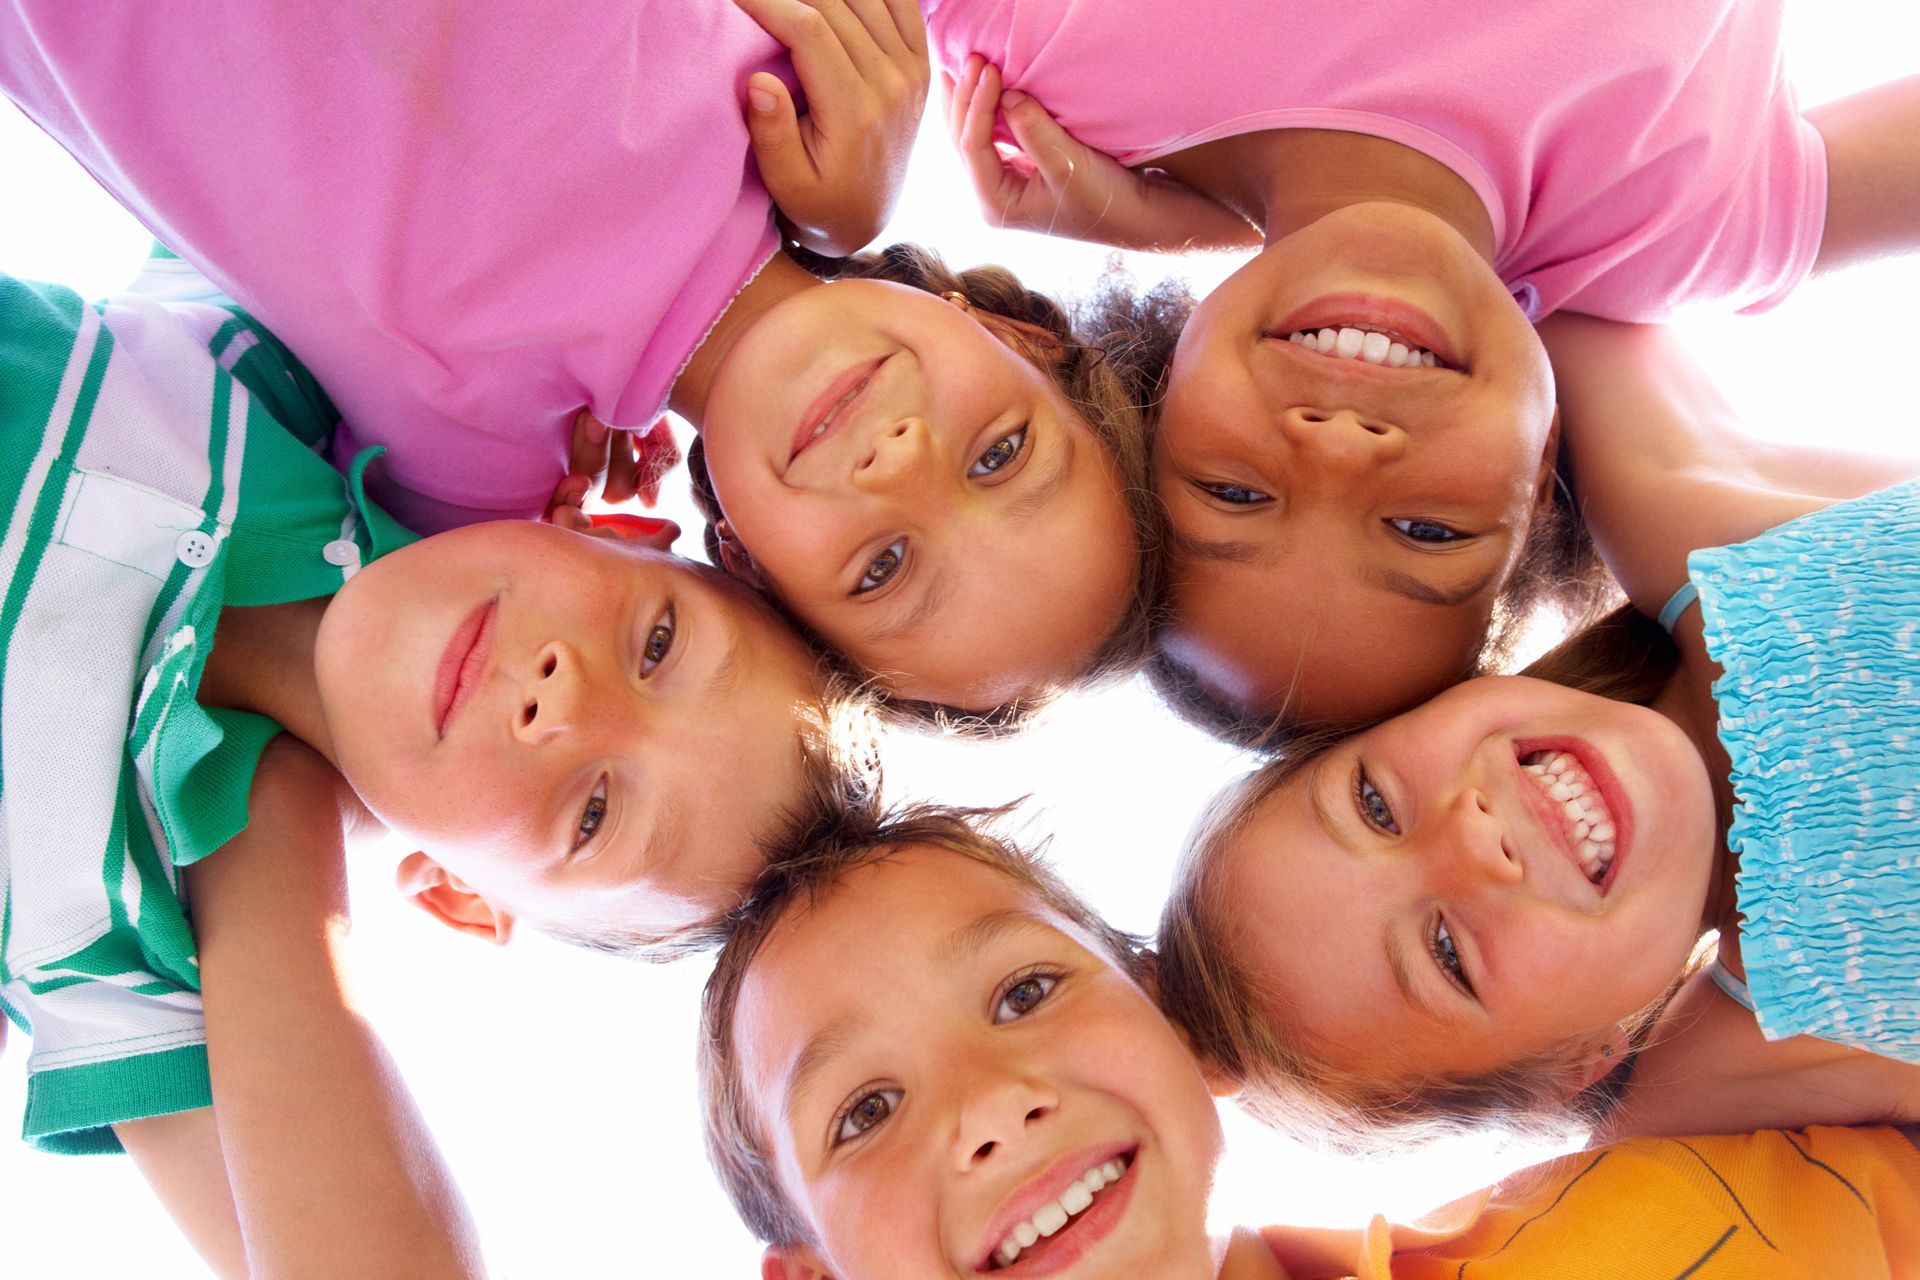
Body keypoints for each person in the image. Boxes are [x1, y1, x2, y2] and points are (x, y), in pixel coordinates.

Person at [0, 262, 873, 1273]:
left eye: (594, 812)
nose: (567, 698)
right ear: (610, 533)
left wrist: (273, 836)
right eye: (659, 643)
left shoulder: (149, 941)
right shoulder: (313, 384)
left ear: (460, 894)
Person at [0, 0, 1161, 718]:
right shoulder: (838, 66)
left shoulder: (476, 464)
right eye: (1002, 453)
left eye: (882, 568)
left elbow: (386, 675)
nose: (900, 465)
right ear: (1016, 337)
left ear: (752, 574)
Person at [927, 0, 1920, 735]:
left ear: (1159, 390)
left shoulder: (1042, 49)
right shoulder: (1684, 224)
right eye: (1425, 528)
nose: (1343, 448)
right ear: (1537, 478)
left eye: (1233, 492)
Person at [1154, 318, 1920, 1150]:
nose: (1470, 839)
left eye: (1375, 804)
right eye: (1447, 954)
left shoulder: (1697, 543)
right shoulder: (1775, 1051)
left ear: (1414, 703)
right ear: (1577, 1066)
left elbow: (1545, 274)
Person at [697, 800, 1920, 1279]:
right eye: (864, 1109)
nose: (988, 1103)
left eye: (1024, 991)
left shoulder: (1669, 1205)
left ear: (1174, 1017)